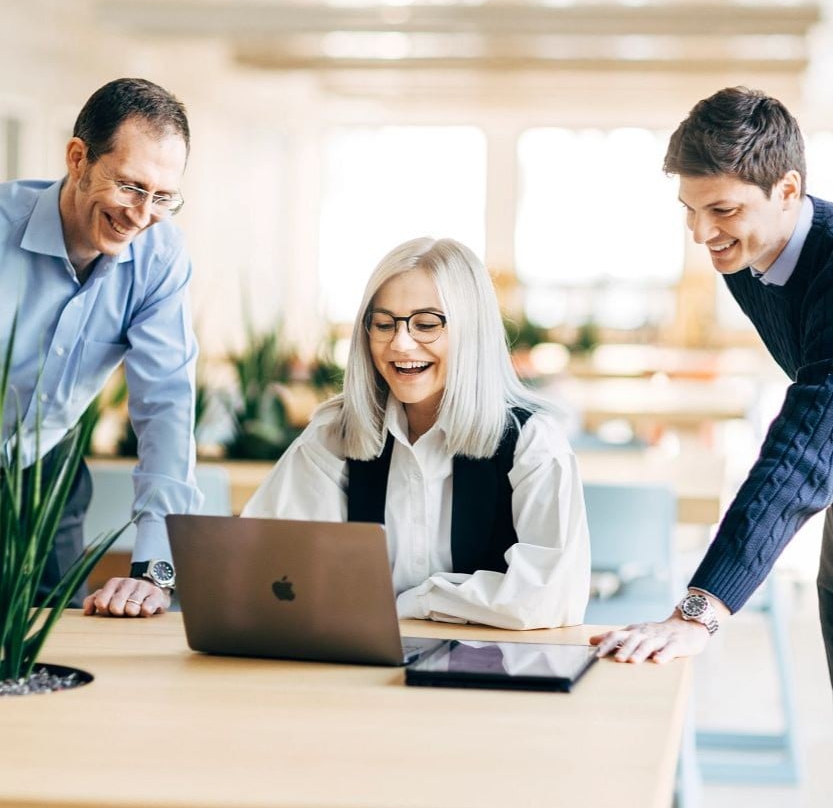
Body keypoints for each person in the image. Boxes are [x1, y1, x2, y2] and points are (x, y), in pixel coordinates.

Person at [591, 86, 833, 684]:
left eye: (722, 210)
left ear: (788, 191)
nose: (701, 234)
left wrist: (698, 614)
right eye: (689, 210)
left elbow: (806, 448)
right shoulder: (748, 256)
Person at [244, 237, 590, 628]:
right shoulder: (334, 435)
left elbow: (552, 598)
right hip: (358, 666)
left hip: (495, 671)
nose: (401, 344)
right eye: (384, 324)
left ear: (471, 331)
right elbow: (265, 562)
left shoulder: (531, 441)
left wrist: (422, 600)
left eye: (426, 324)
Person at [0, 78, 202, 618]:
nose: (141, 215)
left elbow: (167, 408)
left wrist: (155, 570)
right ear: (77, 159)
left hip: (46, 468)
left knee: (54, 646)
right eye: (131, 187)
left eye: (162, 197)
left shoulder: (159, 257)